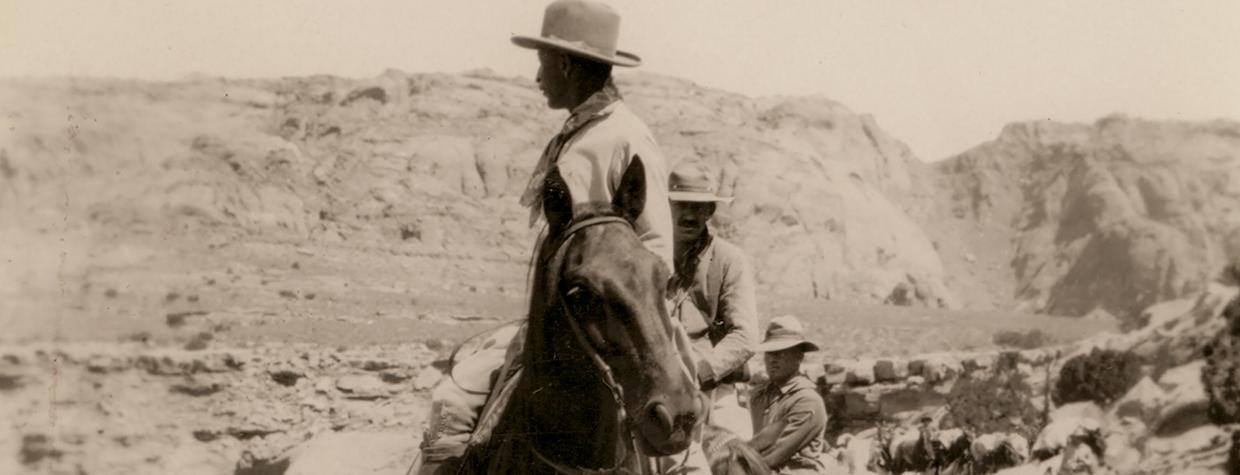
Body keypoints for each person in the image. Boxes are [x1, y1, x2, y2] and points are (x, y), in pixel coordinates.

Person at [415, 1, 705, 473]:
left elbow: (652, 246)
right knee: (454, 398)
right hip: (568, 321)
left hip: (629, 326)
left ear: (567, 63)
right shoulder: (580, 132)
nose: (537, 77)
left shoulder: (625, 134)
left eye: (543, 62)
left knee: (679, 443)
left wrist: (636, 318)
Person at [667, 162, 758, 439]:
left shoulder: (730, 260)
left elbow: (745, 336)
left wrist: (698, 373)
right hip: (656, 388)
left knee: (729, 457)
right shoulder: (649, 256)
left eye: (698, 207)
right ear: (667, 207)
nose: (689, 215)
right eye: (681, 205)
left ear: (710, 211)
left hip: (715, 390)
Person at [747, 315, 828, 474]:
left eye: (781, 352)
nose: (772, 359)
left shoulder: (807, 400)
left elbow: (773, 456)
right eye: (769, 353)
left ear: (799, 356)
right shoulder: (761, 395)